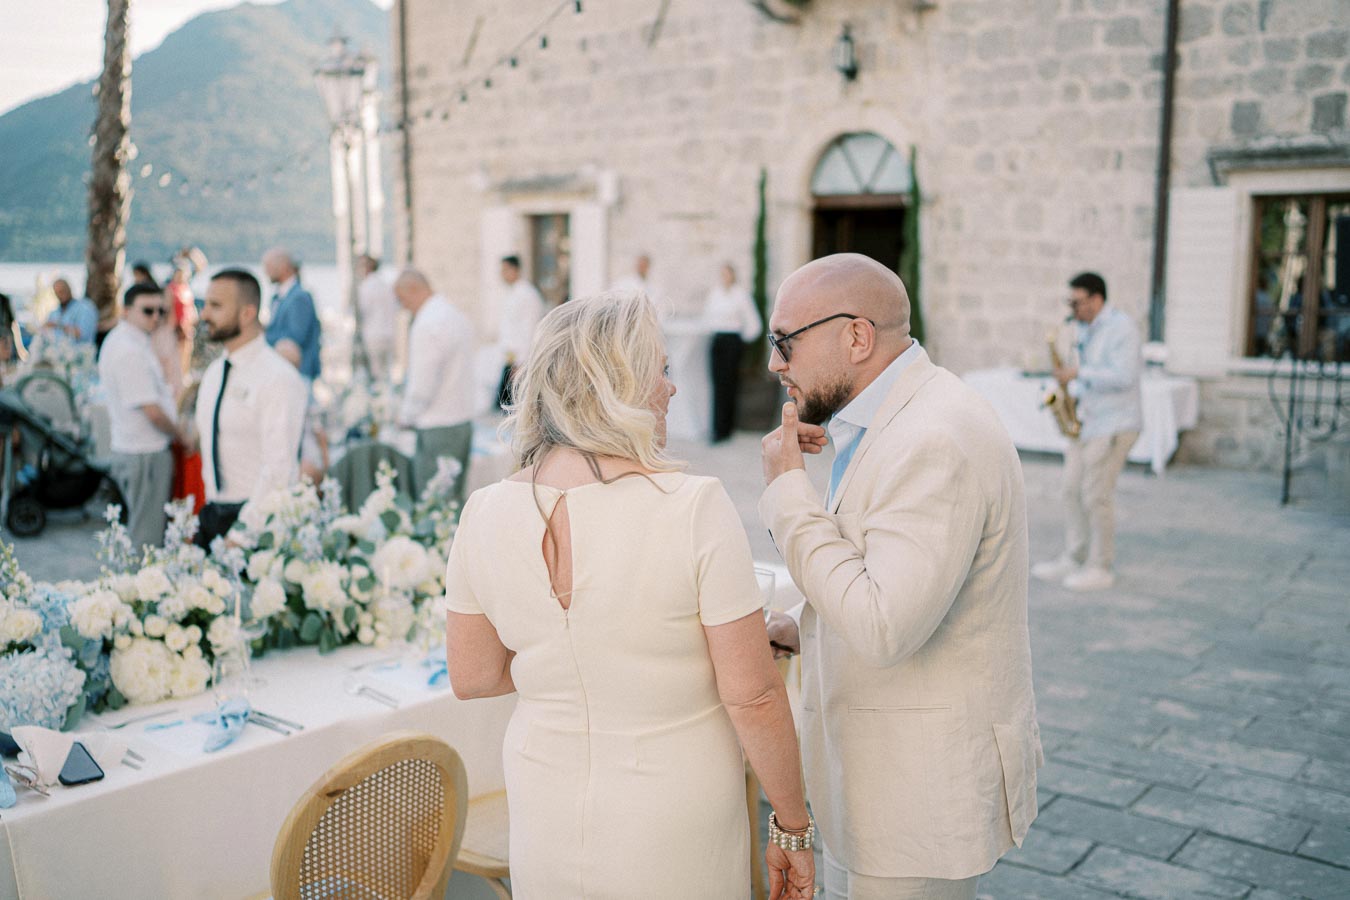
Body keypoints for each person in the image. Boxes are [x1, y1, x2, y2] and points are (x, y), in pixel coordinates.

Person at [445, 291, 816, 899]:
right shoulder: (691, 505)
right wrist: (793, 827)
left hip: (545, 799)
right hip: (672, 806)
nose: (671, 389)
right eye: (661, 371)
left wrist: (571, 654)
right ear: (616, 383)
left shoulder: (483, 511)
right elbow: (752, 694)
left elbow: (475, 674)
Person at [759, 253, 1041, 899]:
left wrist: (786, 492)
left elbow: (884, 624)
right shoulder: (884, 418)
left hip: (917, 797)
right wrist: (803, 627)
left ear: (857, 336)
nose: (776, 364)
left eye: (785, 342)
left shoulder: (933, 436)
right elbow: (887, 574)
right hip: (873, 781)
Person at [1032, 272, 1142, 592]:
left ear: (1096, 299)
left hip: (1115, 424)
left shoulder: (1122, 328)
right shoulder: (1084, 329)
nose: (1073, 309)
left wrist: (1079, 373)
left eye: (1077, 302)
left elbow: (1124, 376)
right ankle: (1074, 556)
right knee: (1070, 489)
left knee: (1096, 495)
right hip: (1088, 422)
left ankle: (1100, 566)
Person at [193, 269, 308, 548]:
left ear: (247, 313)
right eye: (206, 304)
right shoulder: (214, 373)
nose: (204, 314)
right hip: (213, 515)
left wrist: (242, 534)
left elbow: (279, 467)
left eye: (216, 306)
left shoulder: (277, 377)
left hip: (255, 524)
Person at [98, 284, 181, 549]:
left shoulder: (132, 341)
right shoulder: (128, 351)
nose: (156, 317)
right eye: (148, 310)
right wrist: (182, 435)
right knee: (147, 540)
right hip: (144, 454)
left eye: (161, 311)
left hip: (137, 449)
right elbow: (153, 412)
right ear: (126, 311)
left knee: (144, 533)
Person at [394, 270, 476, 430]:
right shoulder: (455, 314)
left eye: (401, 299)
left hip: (438, 423)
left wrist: (405, 416)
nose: (403, 306)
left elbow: (423, 381)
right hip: (463, 419)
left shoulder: (427, 324)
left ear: (413, 288)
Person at [702, 262, 763, 442]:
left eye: (728, 274)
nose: (725, 277)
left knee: (729, 384)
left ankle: (726, 428)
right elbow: (707, 318)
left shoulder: (741, 295)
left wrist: (742, 341)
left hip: (732, 341)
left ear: (733, 276)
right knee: (717, 384)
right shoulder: (715, 294)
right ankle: (717, 428)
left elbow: (753, 323)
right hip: (717, 340)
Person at [261, 249, 322, 383]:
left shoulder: (299, 297)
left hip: (299, 372)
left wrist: (261, 335)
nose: (265, 272)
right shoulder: (278, 297)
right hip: (284, 370)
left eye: (268, 267)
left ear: (283, 268)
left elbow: (296, 336)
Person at [496, 255, 546, 409]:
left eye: (505, 270)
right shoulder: (513, 294)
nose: (502, 274)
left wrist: (521, 362)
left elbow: (529, 328)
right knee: (506, 403)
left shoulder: (527, 295)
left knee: (515, 403)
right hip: (510, 357)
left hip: (520, 358)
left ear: (515, 270)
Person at [356, 255, 399, 381]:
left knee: (377, 373)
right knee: (387, 373)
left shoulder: (365, 287)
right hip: (389, 333)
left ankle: (381, 397)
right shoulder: (386, 285)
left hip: (373, 335)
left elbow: (364, 311)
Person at [43, 278, 98, 344]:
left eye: (62, 291)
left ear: (69, 289)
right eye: (56, 293)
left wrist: (58, 325)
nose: (60, 295)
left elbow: (84, 335)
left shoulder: (85, 307)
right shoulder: (54, 313)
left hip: (80, 352)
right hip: (54, 351)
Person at [166, 267, 198, 380]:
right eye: (178, 274)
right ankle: (176, 378)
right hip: (176, 325)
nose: (180, 277)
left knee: (187, 351)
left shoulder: (186, 288)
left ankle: (185, 376)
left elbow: (191, 306)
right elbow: (169, 308)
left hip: (187, 325)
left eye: (182, 274)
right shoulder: (170, 289)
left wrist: (193, 321)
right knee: (176, 353)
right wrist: (171, 327)